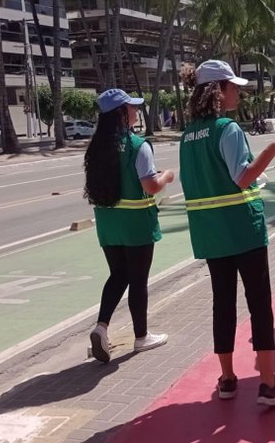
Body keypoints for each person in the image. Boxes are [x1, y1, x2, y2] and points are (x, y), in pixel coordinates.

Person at [179, 60, 275, 405]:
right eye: (234, 87)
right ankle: (268, 383)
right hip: (242, 230)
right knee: (258, 304)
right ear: (219, 91)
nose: (238, 92)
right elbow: (243, 177)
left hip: (210, 234)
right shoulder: (228, 129)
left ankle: (226, 378)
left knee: (223, 304)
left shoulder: (189, 134)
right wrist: (274, 148)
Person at [85, 89, 175, 364]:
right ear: (122, 114)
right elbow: (150, 185)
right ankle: (141, 336)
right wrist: (167, 177)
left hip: (108, 226)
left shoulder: (96, 147)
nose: (136, 112)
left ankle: (101, 327)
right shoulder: (138, 145)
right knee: (137, 281)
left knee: (117, 276)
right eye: (132, 108)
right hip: (136, 225)